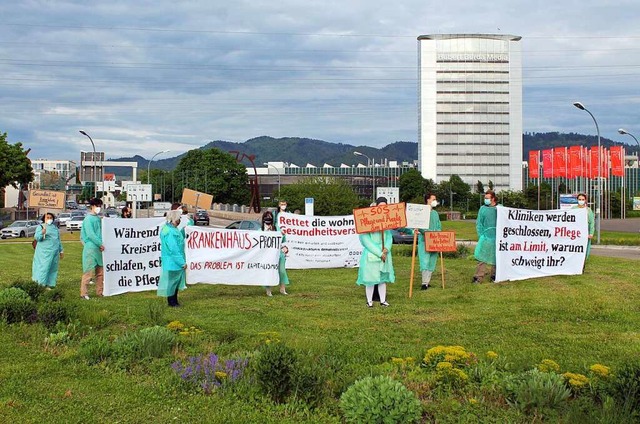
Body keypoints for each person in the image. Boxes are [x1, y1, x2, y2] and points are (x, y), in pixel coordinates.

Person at [356, 197, 395, 307]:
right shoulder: (367, 221)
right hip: (372, 254)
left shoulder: (387, 221)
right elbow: (366, 240)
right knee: (370, 279)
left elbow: (388, 236)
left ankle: (383, 300)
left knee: (382, 279)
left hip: (384, 254)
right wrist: (379, 253)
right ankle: (369, 301)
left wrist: (387, 248)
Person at [399, 194, 442, 290]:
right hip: (424, 240)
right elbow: (420, 225)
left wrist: (438, 234)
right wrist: (427, 233)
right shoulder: (422, 212)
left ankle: (427, 281)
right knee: (425, 261)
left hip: (435, 240)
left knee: (432, 261)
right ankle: (424, 282)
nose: (435, 201)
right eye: (433, 199)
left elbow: (439, 225)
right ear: (428, 200)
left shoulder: (435, 213)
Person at [158, 210, 187, 307]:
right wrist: (181, 262)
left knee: (174, 282)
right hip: (173, 261)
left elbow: (178, 240)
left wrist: (184, 231)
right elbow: (173, 248)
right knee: (173, 282)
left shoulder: (169, 229)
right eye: (179, 218)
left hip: (171, 261)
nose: (180, 220)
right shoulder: (170, 231)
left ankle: (173, 301)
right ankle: (172, 302)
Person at [80, 198, 105, 299]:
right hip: (91, 248)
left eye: (100, 206)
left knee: (100, 273)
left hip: (99, 249)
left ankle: (100, 292)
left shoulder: (98, 219)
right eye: (97, 206)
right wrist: (100, 243)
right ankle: (84, 293)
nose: (98, 208)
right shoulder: (88, 219)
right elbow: (90, 234)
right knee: (88, 271)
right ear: (92, 206)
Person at [32, 212, 64, 288]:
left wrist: (61, 250)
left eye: (51, 217)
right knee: (43, 268)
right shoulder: (41, 227)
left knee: (52, 268)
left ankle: (49, 284)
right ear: (44, 219)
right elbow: (37, 237)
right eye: (47, 217)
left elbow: (58, 240)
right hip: (44, 252)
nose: (49, 219)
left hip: (54, 252)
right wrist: (41, 233)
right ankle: (40, 284)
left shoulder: (55, 228)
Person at [262, 210, 289, 296]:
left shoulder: (276, 228)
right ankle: (268, 290)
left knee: (282, 271)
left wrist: (283, 235)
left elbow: (283, 240)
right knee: (269, 271)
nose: (268, 219)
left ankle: (282, 289)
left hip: (279, 254)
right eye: (267, 217)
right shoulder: (260, 230)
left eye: (270, 217)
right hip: (267, 255)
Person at [473, 190, 498, 283]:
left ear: (493, 199)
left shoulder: (499, 209)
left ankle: (494, 276)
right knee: (482, 258)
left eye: (487, 198)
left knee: (496, 258)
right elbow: (479, 223)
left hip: (497, 237)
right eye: (485, 198)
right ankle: (478, 277)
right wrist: (481, 236)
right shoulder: (482, 209)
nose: (485, 200)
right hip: (485, 237)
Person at [573, 193, 595, 261]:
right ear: (577, 200)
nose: (581, 201)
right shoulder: (573, 209)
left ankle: (584, 261)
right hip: (575, 232)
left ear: (585, 200)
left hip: (586, 232)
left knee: (585, 247)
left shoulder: (588, 210)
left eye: (583, 199)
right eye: (579, 199)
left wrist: (591, 233)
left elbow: (592, 222)